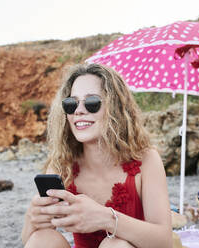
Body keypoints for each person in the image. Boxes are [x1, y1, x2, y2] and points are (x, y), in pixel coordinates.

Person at [21, 63, 173, 248]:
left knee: (115, 246)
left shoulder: (146, 160)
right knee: (43, 239)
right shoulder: (63, 165)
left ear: (115, 108)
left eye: (92, 102)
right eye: (71, 104)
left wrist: (107, 219)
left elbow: (164, 241)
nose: (78, 111)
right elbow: (30, 241)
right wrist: (32, 218)